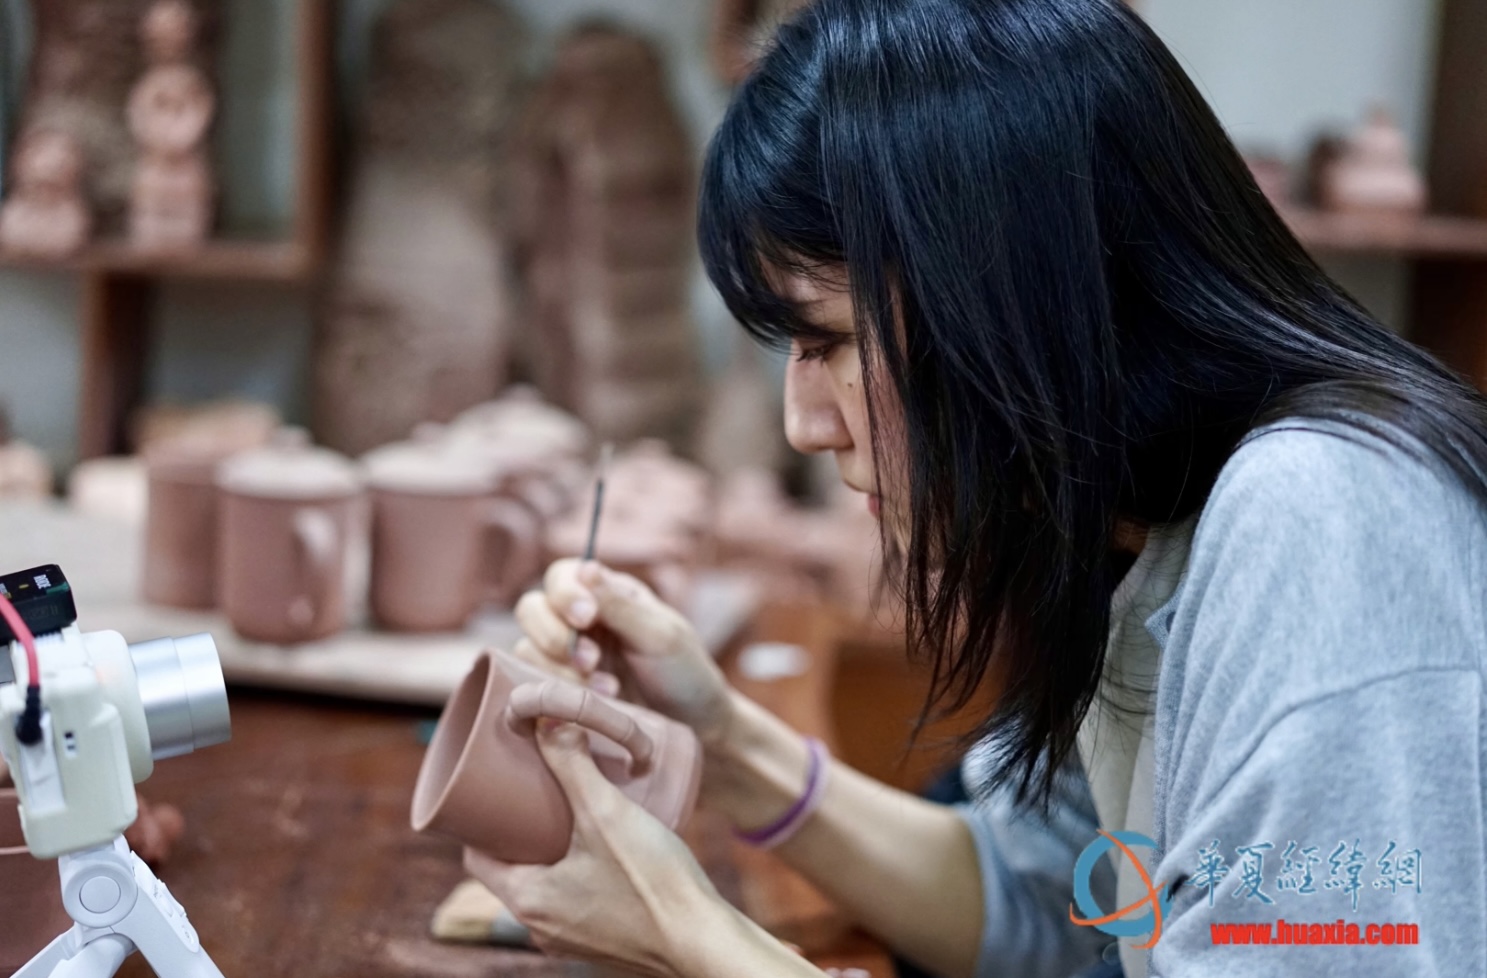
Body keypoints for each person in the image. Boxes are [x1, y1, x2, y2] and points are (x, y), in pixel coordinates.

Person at [475, 0, 1487, 975]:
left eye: (825, 343)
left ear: (1002, 291)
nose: (804, 424)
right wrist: (723, 743)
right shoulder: (1126, 525)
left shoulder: (1321, 517)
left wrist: (682, 930)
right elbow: (1051, 909)